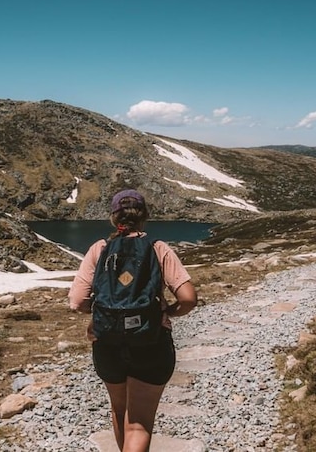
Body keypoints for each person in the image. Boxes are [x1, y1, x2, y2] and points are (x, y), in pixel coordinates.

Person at [68, 189, 198, 452]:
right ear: (145, 217)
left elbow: (77, 301)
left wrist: (102, 313)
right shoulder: (157, 248)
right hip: (150, 340)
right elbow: (188, 298)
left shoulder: (99, 249)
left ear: (114, 219)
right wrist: (166, 313)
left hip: (107, 342)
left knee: (119, 410)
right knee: (139, 423)